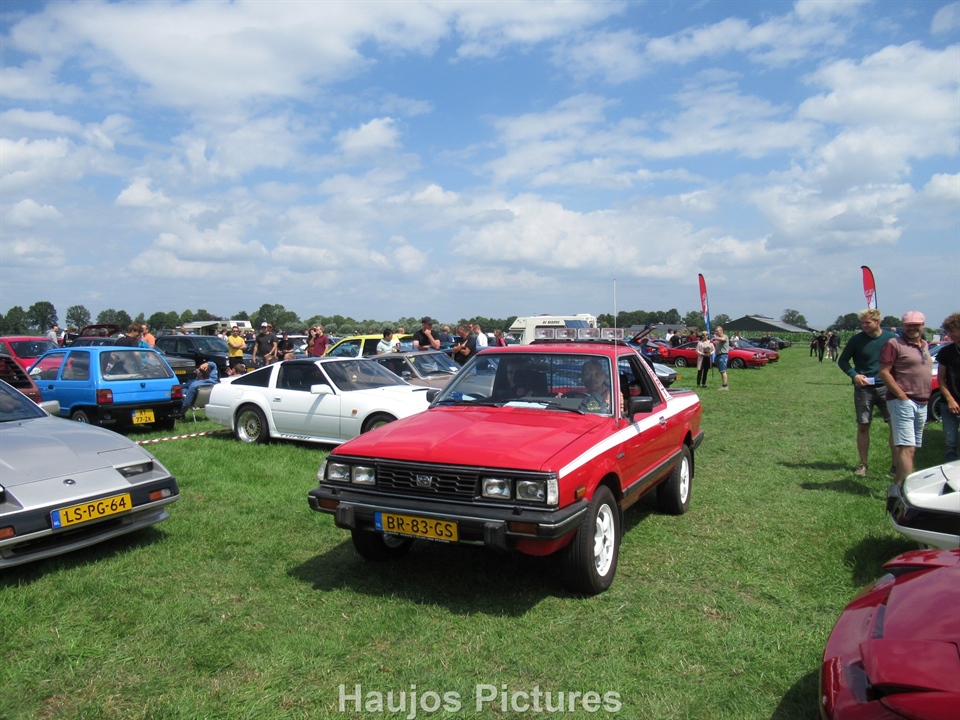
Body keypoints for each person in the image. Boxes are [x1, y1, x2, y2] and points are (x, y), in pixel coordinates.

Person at [836, 309, 897, 477]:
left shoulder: (891, 339)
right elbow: (842, 360)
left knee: (894, 425)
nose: (864, 326)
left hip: (887, 388)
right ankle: (863, 464)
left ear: (877, 322)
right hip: (864, 389)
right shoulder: (856, 340)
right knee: (863, 425)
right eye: (862, 323)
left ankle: (895, 465)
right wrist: (854, 375)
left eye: (867, 322)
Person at [878, 311, 933, 485]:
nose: (912, 328)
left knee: (913, 447)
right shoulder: (894, 344)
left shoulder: (924, 344)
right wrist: (902, 396)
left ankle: (901, 485)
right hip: (903, 401)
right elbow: (884, 372)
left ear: (923, 325)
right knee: (906, 447)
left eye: (916, 325)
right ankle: (903, 488)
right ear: (903, 326)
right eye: (909, 325)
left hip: (922, 402)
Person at [937, 312, 960, 462]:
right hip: (949, 404)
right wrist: (950, 400)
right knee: (951, 443)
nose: (950, 334)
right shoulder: (946, 351)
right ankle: (951, 471)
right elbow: (941, 378)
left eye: (952, 330)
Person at [713, 326, 730, 390]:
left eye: (717, 331)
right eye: (715, 331)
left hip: (723, 355)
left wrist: (715, 338)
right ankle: (724, 384)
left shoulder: (725, 336)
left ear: (721, 330)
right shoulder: (719, 339)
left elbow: (723, 339)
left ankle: (725, 386)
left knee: (723, 371)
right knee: (721, 371)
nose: (716, 332)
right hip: (718, 356)